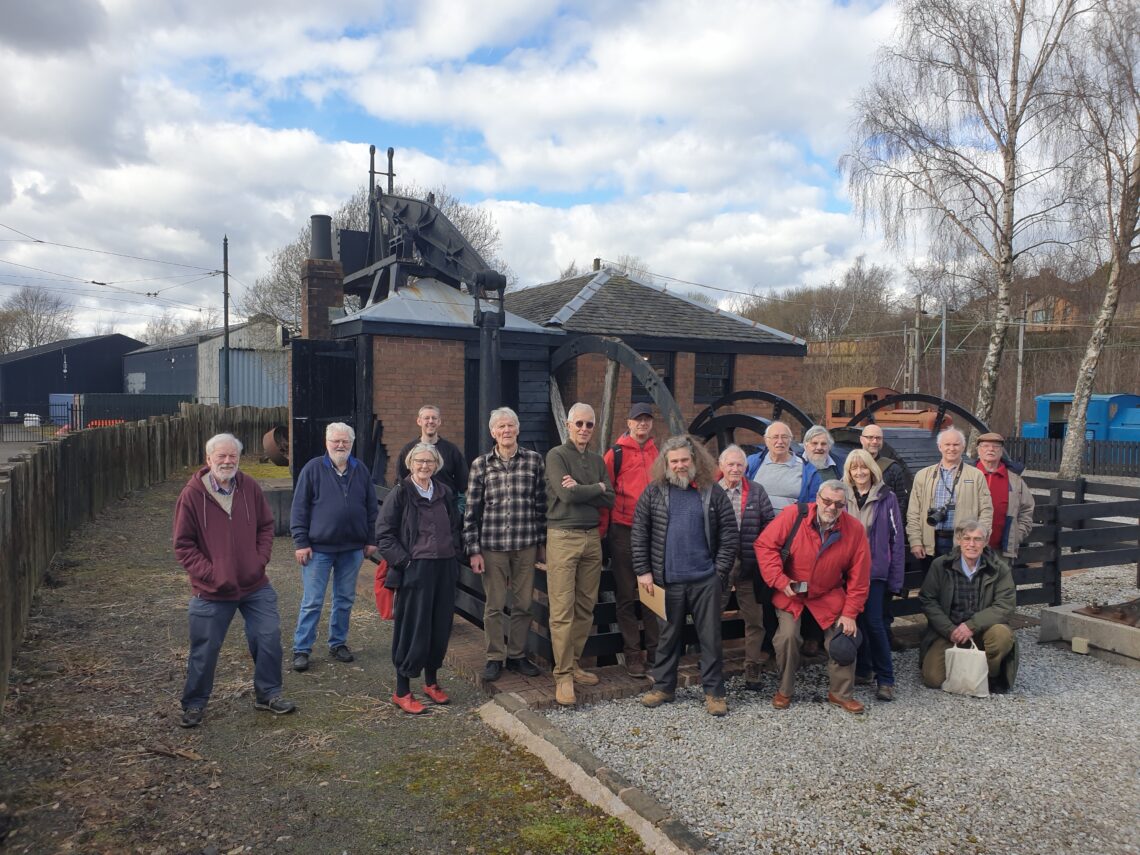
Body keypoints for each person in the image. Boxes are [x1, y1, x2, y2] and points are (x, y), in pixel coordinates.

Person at [173, 433, 296, 728]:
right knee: (205, 649)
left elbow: (267, 526)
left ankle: (268, 694)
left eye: (233, 457)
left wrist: (259, 560)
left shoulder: (249, 486)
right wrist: (213, 575)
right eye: (221, 457)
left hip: (254, 585)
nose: (228, 462)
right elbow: (183, 545)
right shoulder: (192, 495)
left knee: (268, 638)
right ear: (208, 459)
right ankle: (194, 704)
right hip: (212, 590)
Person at [633, 436, 739, 716]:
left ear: (695, 461)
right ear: (666, 464)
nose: (680, 465)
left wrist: (718, 572)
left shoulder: (711, 491)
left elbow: (729, 534)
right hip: (667, 579)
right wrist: (643, 571)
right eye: (675, 461)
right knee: (667, 636)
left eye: (684, 460)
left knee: (710, 637)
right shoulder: (654, 492)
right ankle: (664, 687)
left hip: (705, 579)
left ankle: (714, 692)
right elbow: (639, 533)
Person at [755, 480, 871, 714]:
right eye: (827, 501)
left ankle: (841, 693)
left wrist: (850, 613)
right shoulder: (793, 515)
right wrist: (779, 579)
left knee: (843, 638)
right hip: (792, 591)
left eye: (838, 504)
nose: (831, 507)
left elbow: (860, 577)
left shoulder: (855, 529)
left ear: (844, 505)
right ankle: (785, 689)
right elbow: (765, 546)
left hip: (828, 593)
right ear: (817, 498)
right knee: (787, 637)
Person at [375, 442, 463, 714]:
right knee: (413, 627)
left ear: (436, 465)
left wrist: (455, 551)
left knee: (439, 626)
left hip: (444, 568)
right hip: (416, 569)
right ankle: (402, 690)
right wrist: (405, 561)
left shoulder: (444, 492)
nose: (424, 466)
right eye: (419, 461)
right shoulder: (401, 493)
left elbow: (455, 526)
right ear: (410, 463)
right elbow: (384, 534)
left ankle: (432, 682)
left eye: (429, 462)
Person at [464, 407, 546, 682]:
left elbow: (541, 504)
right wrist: (473, 549)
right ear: (493, 432)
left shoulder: (534, 461)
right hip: (493, 546)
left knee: (524, 604)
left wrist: (542, 543)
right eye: (501, 427)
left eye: (510, 425)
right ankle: (494, 657)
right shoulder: (481, 464)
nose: (506, 430)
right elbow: (471, 510)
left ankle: (517, 655)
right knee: (495, 605)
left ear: (518, 429)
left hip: (525, 544)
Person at [289, 422, 379, 672]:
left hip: (352, 549)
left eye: (345, 441)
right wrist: (301, 542)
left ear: (352, 443)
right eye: (335, 441)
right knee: (313, 601)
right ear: (326, 443)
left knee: (344, 598)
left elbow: (372, 508)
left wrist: (371, 539)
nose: (340, 445)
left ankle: (338, 643)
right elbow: (299, 508)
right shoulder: (313, 469)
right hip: (318, 549)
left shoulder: (359, 469)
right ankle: (302, 648)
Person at [544, 403, 615, 706]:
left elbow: (609, 498)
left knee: (586, 607)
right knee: (562, 610)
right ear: (568, 424)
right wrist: (595, 487)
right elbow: (566, 495)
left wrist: (591, 487)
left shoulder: (598, 460)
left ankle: (574, 664)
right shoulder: (556, 455)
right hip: (563, 537)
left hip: (591, 539)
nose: (584, 429)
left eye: (589, 424)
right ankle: (562, 676)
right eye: (579, 424)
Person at [919, 518, 1019, 693]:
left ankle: (991, 673)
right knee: (933, 679)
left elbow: (1005, 605)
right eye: (967, 538)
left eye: (977, 539)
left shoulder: (999, 568)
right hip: (949, 630)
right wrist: (949, 630)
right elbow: (928, 600)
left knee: (1001, 636)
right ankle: (966, 663)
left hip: (984, 628)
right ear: (959, 540)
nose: (971, 544)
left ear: (986, 542)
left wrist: (971, 626)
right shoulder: (940, 565)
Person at [600, 402, 660, 677]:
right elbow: (605, 494)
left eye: (647, 420)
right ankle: (633, 655)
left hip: (652, 530)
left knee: (652, 595)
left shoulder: (656, 452)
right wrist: (604, 531)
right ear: (629, 422)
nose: (643, 425)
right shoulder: (616, 454)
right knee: (626, 595)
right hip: (623, 530)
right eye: (638, 420)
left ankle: (656, 652)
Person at [842, 450, 904, 701]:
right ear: (848, 472)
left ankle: (885, 678)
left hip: (875, 571)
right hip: (847, 573)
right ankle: (863, 669)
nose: (859, 473)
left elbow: (896, 539)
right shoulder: (842, 497)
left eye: (863, 468)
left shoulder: (885, 497)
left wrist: (895, 578)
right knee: (853, 623)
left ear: (871, 469)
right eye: (854, 468)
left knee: (875, 624)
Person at [717, 444, 775, 689]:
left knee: (754, 618)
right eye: (730, 464)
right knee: (711, 615)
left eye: (739, 464)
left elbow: (770, 525)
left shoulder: (756, 491)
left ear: (745, 467)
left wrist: (760, 551)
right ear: (722, 467)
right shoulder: (712, 492)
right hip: (720, 564)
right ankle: (713, 661)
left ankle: (751, 665)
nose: (735, 469)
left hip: (750, 564)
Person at [907, 427, 993, 571]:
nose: (951, 449)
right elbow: (913, 512)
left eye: (956, 444)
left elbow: (986, 510)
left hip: (964, 543)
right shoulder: (923, 475)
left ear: (963, 447)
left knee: (960, 588)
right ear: (940, 447)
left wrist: (979, 540)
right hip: (931, 542)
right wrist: (915, 541)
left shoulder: (976, 475)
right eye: (947, 444)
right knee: (932, 588)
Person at [974, 432, 1035, 560]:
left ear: (1001, 451)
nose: (990, 449)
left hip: (1001, 550)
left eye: (995, 446)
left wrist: (1017, 535)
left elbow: (1027, 509)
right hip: (969, 548)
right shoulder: (967, 475)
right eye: (985, 446)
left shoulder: (1014, 480)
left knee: (1000, 580)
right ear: (978, 451)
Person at [396, 405, 469, 501]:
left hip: (445, 508)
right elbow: (400, 483)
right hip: (416, 506)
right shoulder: (408, 450)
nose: (430, 421)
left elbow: (465, 485)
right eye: (426, 418)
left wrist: (460, 510)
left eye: (434, 418)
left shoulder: (451, 450)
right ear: (419, 421)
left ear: (439, 422)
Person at [745, 421, 822, 511]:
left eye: (784, 437)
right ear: (766, 440)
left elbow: (814, 503)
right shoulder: (752, 462)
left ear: (790, 440)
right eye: (775, 437)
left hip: (791, 523)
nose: (780, 441)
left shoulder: (808, 470)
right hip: (757, 523)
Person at [859, 424, 912, 513]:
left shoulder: (893, 468)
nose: (875, 441)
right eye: (870, 437)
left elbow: (901, 502)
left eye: (878, 438)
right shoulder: (851, 465)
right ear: (861, 440)